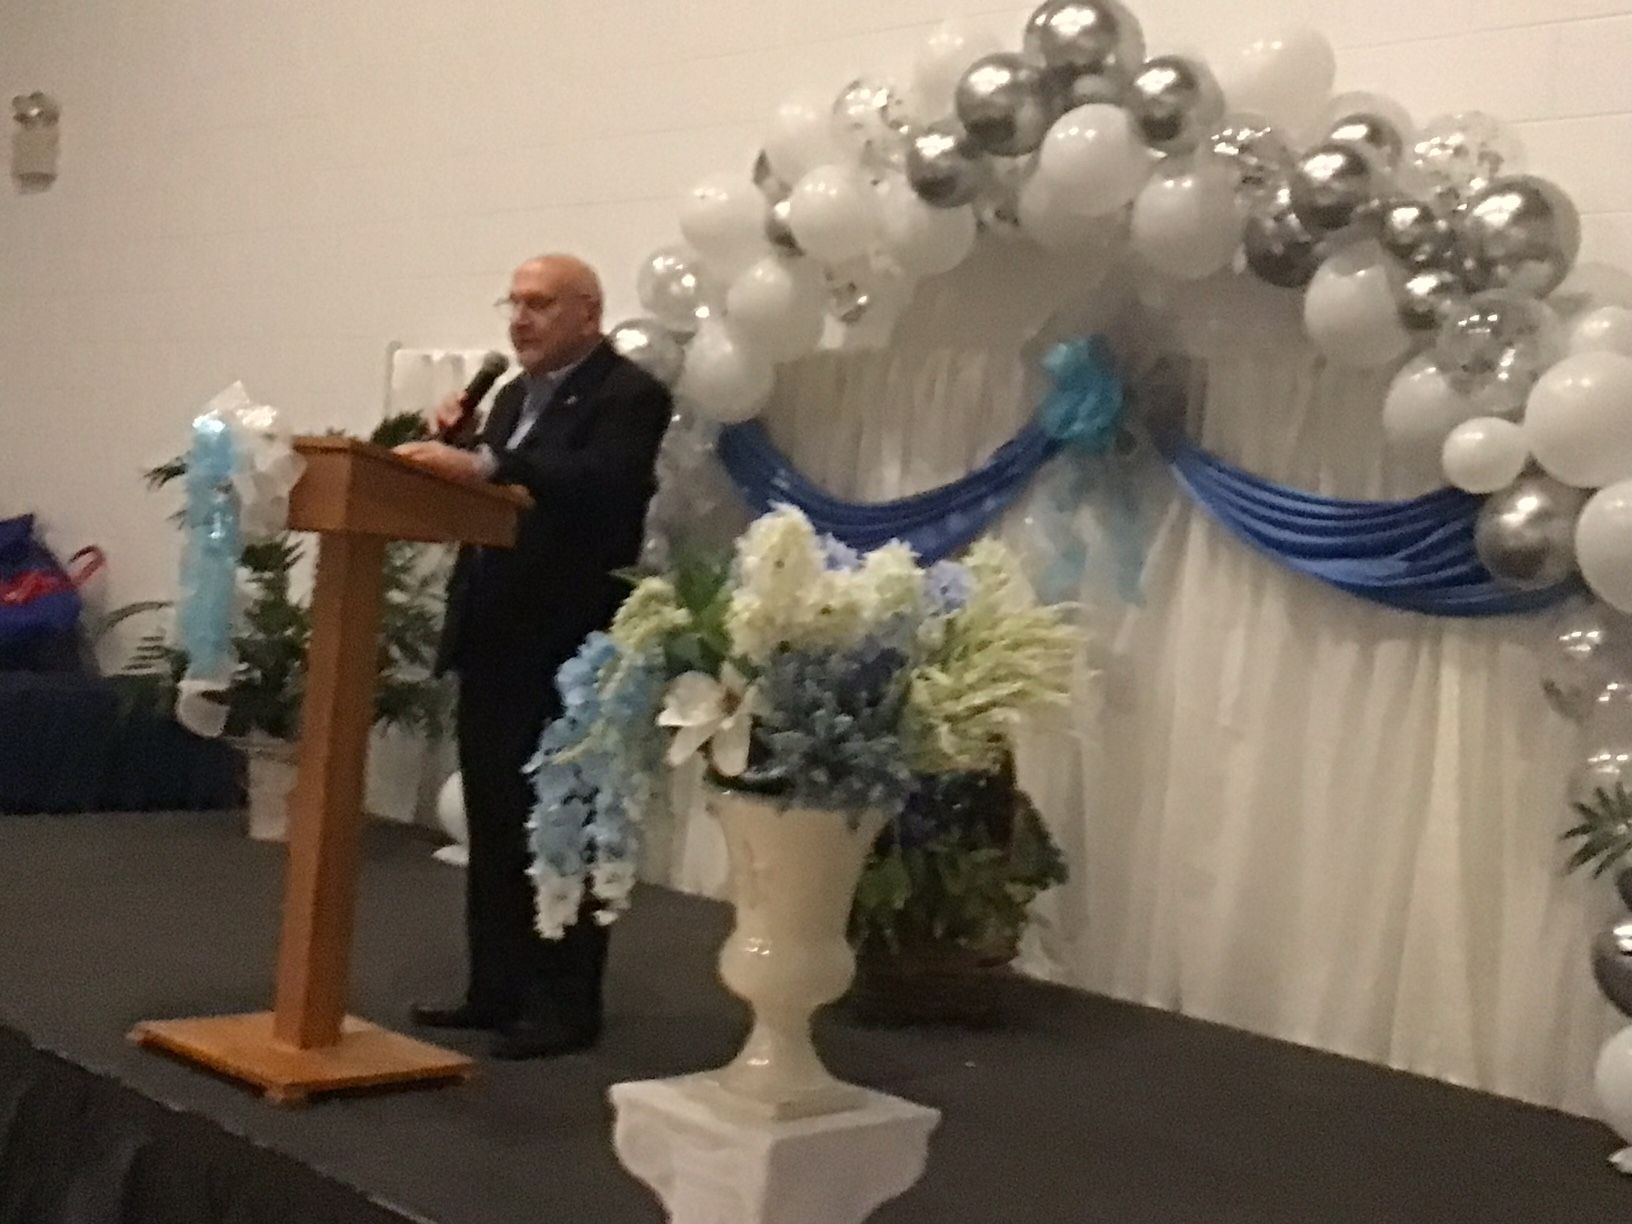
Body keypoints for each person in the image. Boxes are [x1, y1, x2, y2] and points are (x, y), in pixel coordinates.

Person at [394, 254, 671, 1059]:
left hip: (566, 640)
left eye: (540, 303)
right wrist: (457, 450)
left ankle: (563, 1005)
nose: (519, 318)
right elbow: (495, 494)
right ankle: (495, 990)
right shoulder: (512, 396)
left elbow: (598, 483)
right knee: (495, 821)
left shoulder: (629, 394)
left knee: (562, 824)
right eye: (512, 302)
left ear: (588, 313)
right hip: (493, 634)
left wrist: (486, 462)